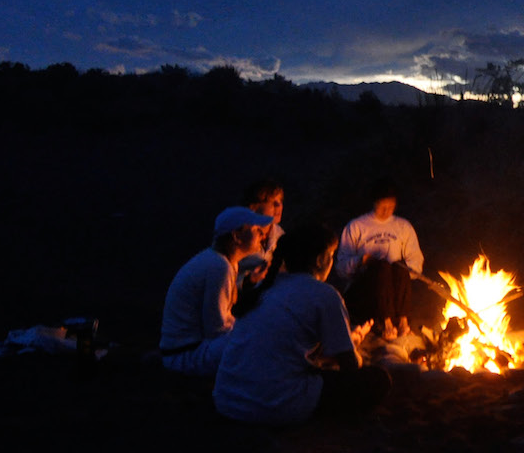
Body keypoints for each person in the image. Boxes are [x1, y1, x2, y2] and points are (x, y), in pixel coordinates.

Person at [214, 223, 390, 425]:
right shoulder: (324, 295)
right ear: (320, 260)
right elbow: (349, 365)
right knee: (378, 379)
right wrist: (353, 349)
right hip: (271, 405)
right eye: (331, 256)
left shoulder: (264, 287)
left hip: (228, 400)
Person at [159, 206, 272, 377]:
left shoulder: (221, 261)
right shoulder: (219, 267)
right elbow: (217, 328)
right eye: (256, 229)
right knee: (257, 341)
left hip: (183, 350)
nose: (262, 235)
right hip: (186, 355)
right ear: (236, 236)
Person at [335, 177, 424, 338]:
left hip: (395, 293)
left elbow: (416, 262)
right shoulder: (357, 226)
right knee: (381, 268)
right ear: (374, 203)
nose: (386, 211)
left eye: (391, 206)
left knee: (398, 265)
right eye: (382, 206)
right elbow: (341, 268)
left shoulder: (403, 226)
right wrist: (361, 261)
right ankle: (385, 323)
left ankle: (403, 321)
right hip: (365, 292)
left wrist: (396, 272)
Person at [235, 177, 285, 313]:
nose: (279, 207)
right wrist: (249, 280)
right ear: (254, 207)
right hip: (240, 309)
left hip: (271, 306)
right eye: (273, 203)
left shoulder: (280, 235)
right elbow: (222, 281)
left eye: (280, 202)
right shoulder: (239, 236)